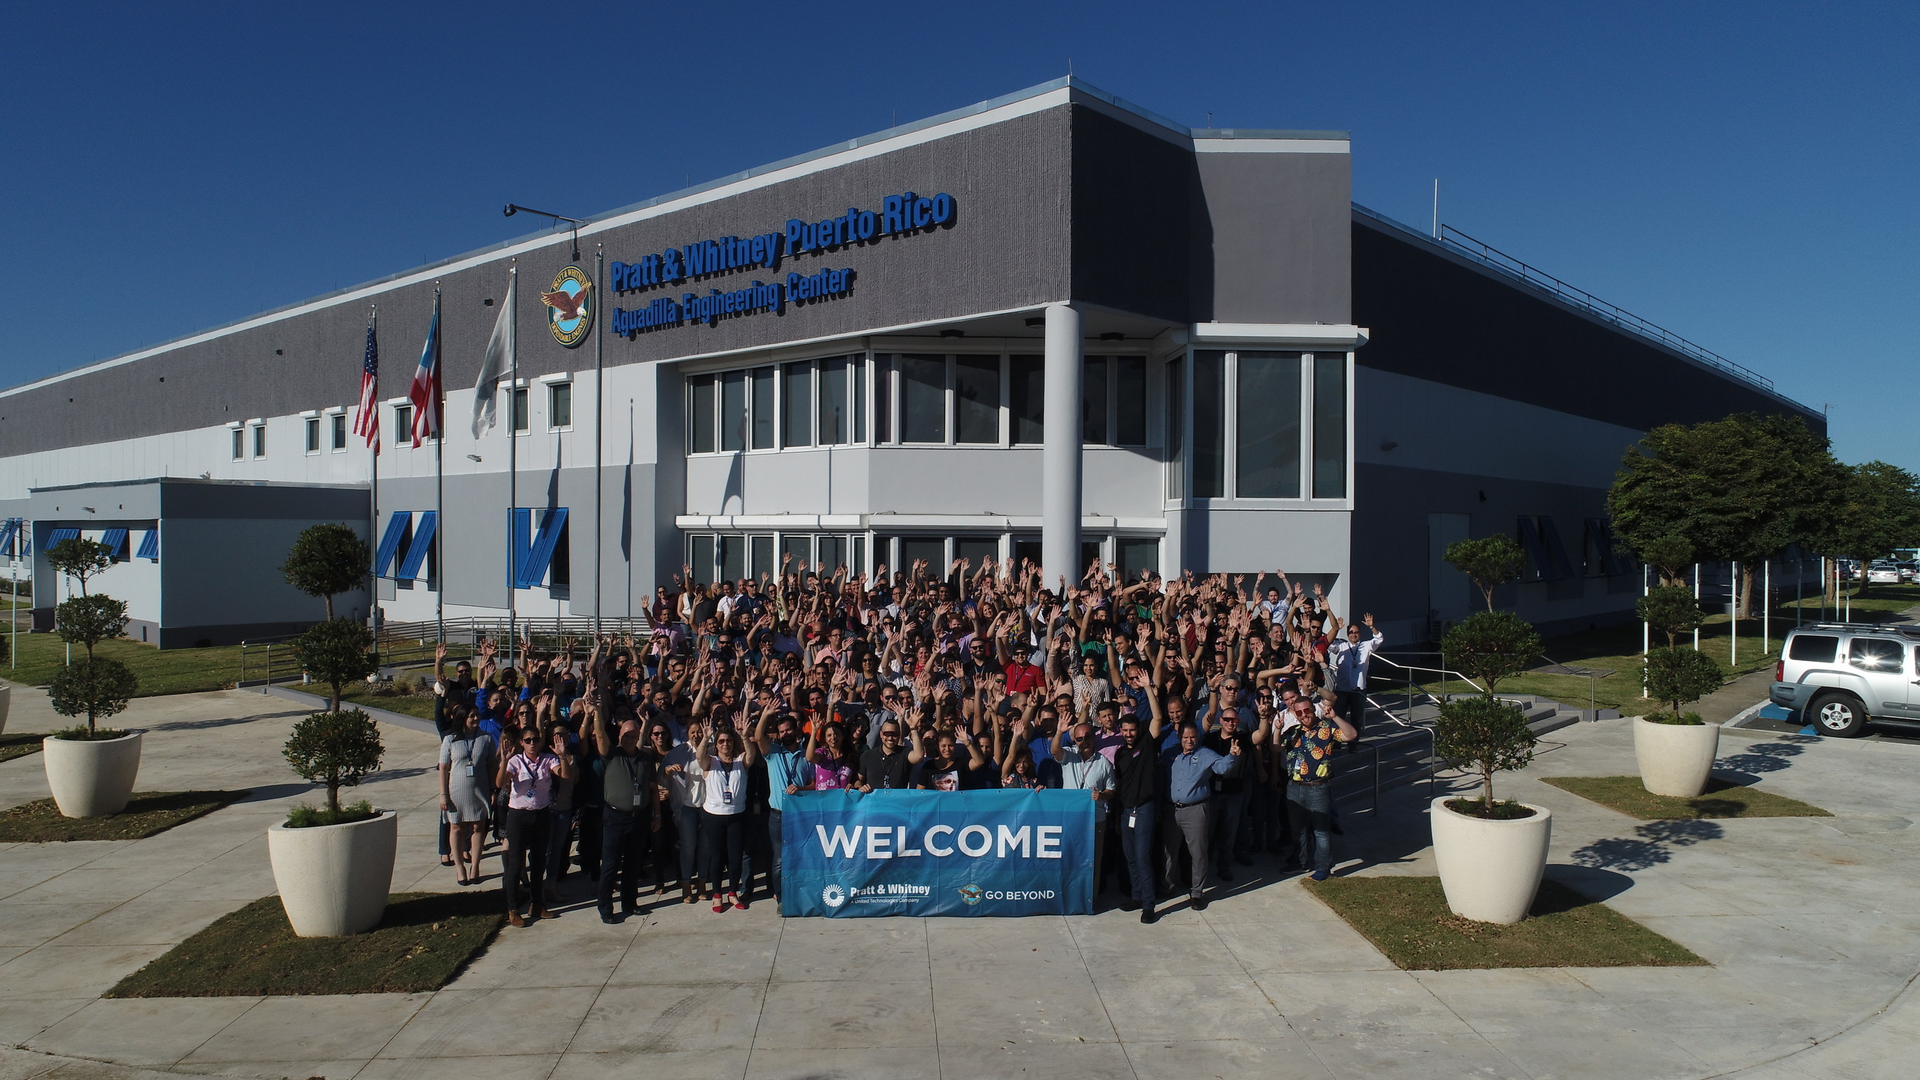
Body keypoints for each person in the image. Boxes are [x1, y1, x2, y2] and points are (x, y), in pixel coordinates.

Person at [589, 672, 658, 924]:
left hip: (639, 817)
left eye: (634, 735)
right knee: (609, 865)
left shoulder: (644, 757)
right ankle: (605, 907)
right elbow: (599, 736)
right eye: (626, 735)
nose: (630, 739)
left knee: (633, 863)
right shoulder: (612, 754)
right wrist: (597, 711)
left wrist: (656, 814)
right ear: (619, 737)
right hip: (615, 816)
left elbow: (651, 787)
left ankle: (630, 902)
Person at [494, 724, 573, 927]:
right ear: (521, 742)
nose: (532, 744)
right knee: (516, 862)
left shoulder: (548, 759)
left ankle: (537, 904)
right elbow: (500, 782)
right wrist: (503, 761)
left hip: (541, 814)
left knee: (538, 862)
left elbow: (565, 777)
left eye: (535, 740)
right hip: (518, 816)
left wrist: (563, 757)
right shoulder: (515, 761)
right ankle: (513, 908)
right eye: (527, 740)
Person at [1159, 720, 1242, 912]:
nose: (1189, 740)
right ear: (1180, 738)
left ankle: (1197, 892)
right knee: (1168, 851)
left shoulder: (1205, 754)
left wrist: (1232, 756)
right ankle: (1167, 887)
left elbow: (1221, 768)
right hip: (1171, 810)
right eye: (1186, 737)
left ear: (1198, 738)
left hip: (1195, 810)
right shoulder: (1170, 754)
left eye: (1193, 737)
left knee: (1198, 853)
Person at [1279, 695, 1358, 880]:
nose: (1304, 715)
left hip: (1317, 787)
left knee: (1320, 830)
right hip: (1295, 786)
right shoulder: (1292, 732)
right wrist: (1276, 729)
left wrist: (1335, 717)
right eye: (1299, 712)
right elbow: (1275, 748)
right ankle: (1300, 861)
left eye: (1307, 710)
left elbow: (1351, 735)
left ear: (1313, 710)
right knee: (1297, 829)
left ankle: (1323, 866)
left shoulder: (1327, 729)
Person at [695, 713, 759, 911]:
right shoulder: (710, 762)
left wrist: (744, 736)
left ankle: (732, 892)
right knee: (717, 855)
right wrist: (706, 738)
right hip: (714, 816)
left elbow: (751, 755)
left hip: (736, 815)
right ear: (717, 745)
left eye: (729, 741)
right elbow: (699, 756)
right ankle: (716, 893)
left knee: (735, 856)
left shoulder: (741, 762)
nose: (725, 744)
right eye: (721, 741)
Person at [1053, 720, 1116, 893]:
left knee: (1093, 860)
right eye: (1079, 739)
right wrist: (1059, 733)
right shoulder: (1069, 755)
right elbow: (1054, 751)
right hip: (1071, 820)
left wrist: (1101, 795)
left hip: (1096, 820)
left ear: (1094, 737)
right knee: (1069, 858)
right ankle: (1068, 895)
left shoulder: (1104, 763)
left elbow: (1112, 790)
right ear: (1075, 741)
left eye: (1087, 737)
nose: (1084, 741)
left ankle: (1091, 898)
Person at [755, 709, 808, 904]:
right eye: (782, 731)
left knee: (802, 855)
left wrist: (801, 787)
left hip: (802, 815)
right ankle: (781, 897)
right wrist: (765, 714)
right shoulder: (773, 753)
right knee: (779, 859)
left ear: (796, 729)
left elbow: (814, 783)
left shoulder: (806, 754)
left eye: (788, 730)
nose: (785, 734)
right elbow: (758, 737)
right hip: (778, 815)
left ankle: (800, 892)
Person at [437, 704, 493, 886]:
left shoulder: (486, 738)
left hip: (479, 790)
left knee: (479, 828)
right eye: (471, 716)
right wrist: (443, 794)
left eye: (477, 715)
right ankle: (460, 867)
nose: (475, 719)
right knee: (457, 828)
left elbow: (492, 764)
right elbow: (444, 768)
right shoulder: (450, 740)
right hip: (456, 791)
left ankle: (475, 866)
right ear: (462, 718)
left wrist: (493, 790)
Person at [1326, 612, 1382, 741]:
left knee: (1356, 720)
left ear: (1360, 634)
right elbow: (1329, 644)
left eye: (1356, 632)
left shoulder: (1366, 646)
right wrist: (1335, 629)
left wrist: (1372, 627)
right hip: (1342, 689)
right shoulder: (1342, 646)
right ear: (1347, 634)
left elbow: (1379, 639)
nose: (1353, 634)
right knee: (1338, 717)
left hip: (1358, 691)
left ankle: (1353, 745)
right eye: (1351, 632)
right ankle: (1337, 744)